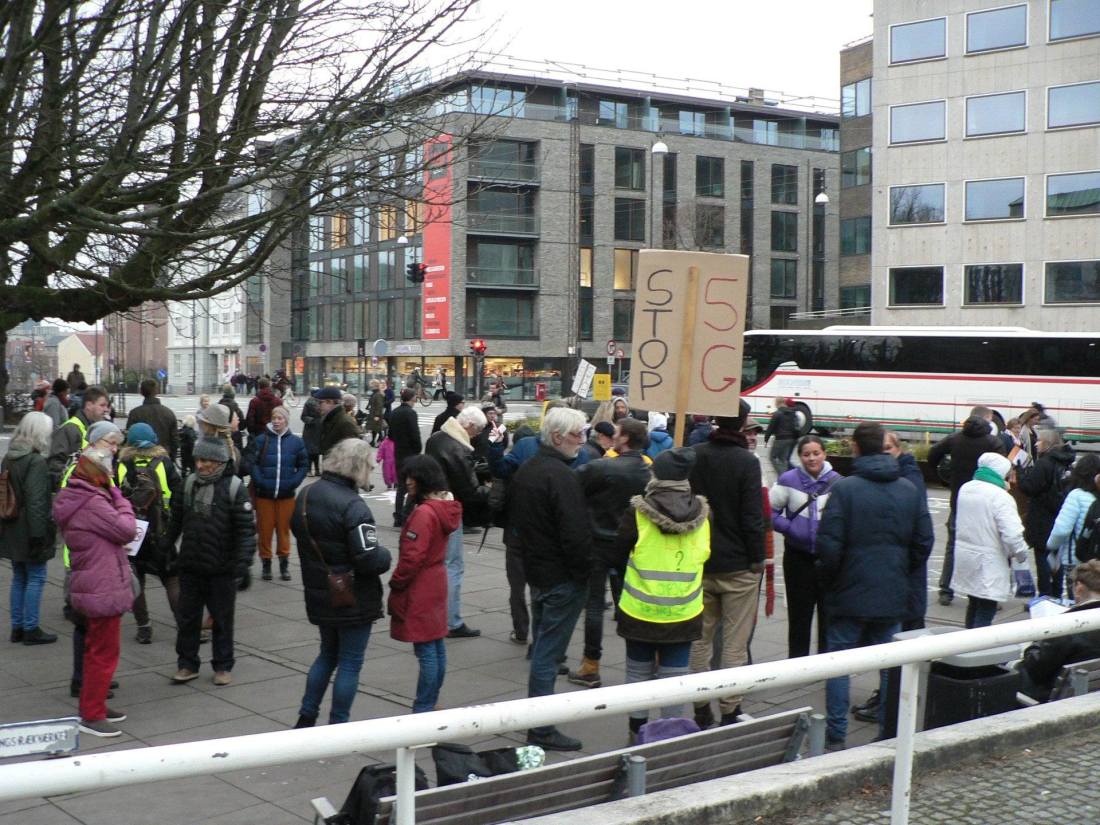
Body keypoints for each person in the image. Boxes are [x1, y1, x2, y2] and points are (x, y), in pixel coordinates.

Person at [816, 421, 934, 751]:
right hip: (892, 591)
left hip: (849, 591)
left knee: (838, 663)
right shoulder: (908, 489)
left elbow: (828, 545)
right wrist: (900, 570)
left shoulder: (845, 489)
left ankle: (836, 735)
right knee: (888, 666)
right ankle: (886, 730)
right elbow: (924, 541)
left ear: (855, 447)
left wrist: (832, 580)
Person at [291, 439, 391, 727]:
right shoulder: (353, 506)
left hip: (320, 588)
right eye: (369, 466)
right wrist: (385, 556)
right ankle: (338, 723)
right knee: (349, 661)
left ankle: (306, 715)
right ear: (358, 467)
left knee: (327, 654)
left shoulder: (307, 494)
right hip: (352, 594)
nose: (371, 471)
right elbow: (368, 558)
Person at [509, 407, 592, 751]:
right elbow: (574, 534)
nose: (582, 442)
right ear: (557, 437)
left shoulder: (529, 469)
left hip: (538, 572)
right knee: (548, 655)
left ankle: (537, 722)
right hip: (561, 577)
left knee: (543, 651)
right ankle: (540, 729)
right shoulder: (561, 476)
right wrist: (584, 574)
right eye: (577, 435)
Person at [613, 447, 710, 738]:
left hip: (639, 610)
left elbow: (618, 553)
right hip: (684, 611)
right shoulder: (703, 514)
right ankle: (669, 739)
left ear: (656, 475)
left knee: (638, 674)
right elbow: (706, 555)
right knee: (675, 680)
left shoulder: (638, 512)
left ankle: (636, 735)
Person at [687, 401, 765, 728]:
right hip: (738, 566)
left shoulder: (696, 455)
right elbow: (752, 516)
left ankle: (700, 705)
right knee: (734, 643)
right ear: (743, 423)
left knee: (699, 639)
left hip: (702, 560)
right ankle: (730, 708)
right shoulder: (746, 462)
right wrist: (757, 557)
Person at [52, 446, 137, 737]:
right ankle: (92, 714)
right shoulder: (93, 501)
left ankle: (94, 702)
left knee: (94, 649)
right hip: (102, 587)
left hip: (90, 583)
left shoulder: (75, 496)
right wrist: (119, 497)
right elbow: (126, 528)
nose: (110, 476)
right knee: (104, 652)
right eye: (107, 471)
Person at [568, 418, 652, 688]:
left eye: (617, 432)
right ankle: (641, 664)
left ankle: (590, 665)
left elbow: (570, 488)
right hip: (633, 545)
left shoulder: (602, 467)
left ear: (625, 439)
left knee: (594, 606)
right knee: (630, 605)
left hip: (598, 543)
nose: (613, 435)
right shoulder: (650, 472)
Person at [170, 436, 256, 686]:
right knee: (188, 619)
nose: (200, 465)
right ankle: (187, 664)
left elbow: (245, 531)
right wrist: (165, 548)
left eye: (206, 460)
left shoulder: (234, 488)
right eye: (197, 459)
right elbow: (176, 521)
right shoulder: (188, 484)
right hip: (191, 565)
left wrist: (242, 564)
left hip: (222, 568)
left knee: (221, 619)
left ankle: (223, 666)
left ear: (219, 461)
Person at [388, 455, 462, 713]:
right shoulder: (442, 508)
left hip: (420, 585)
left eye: (412, 477)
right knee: (436, 644)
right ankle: (431, 702)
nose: (407, 482)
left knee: (426, 650)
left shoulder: (423, 513)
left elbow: (412, 558)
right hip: (436, 580)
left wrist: (396, 583)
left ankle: (423, 706)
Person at [769, 435, 840, 659]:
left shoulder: (839, 482)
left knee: (828, 615)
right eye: (806, 454)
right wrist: (788, 527)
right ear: (799, 457)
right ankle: (797, 663)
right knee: (799, 615)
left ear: (824, 454)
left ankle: (824, 661)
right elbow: (769, 511)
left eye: (816, 453)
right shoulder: (788, 480)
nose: (812, 459)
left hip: (828, 559)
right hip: (797, 557)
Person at [927, 408, 1005, 605]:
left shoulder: (955, 439)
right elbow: (1002, 467)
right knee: (985, 545)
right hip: (985, 500)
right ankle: (981, 592)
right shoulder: (993, 442)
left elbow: (932, 455)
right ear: (988, 421)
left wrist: (944, 476)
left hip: (959, 498)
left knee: (952, 544)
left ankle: (946, 589)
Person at [425, 406, 490, 638]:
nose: (477, 435)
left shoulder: (437, 438)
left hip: (430, 506)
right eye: (478, 430)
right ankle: (451, 621)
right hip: (448, 508)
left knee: (436, 564)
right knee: (453, 565)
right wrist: (489, 489)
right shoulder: (458, 447)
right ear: (470, 426)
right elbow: (469, 490)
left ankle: (435, 614)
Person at [117, 423, 183, 644]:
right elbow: (178, 492)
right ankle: (184, 624)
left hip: (132, 532)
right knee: (172, 579)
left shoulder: (122, 464)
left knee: (136, 581)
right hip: (160, 530)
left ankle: (144, 628)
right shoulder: (163, 462)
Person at [951, 453, 1029, 628]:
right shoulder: (1001, 497)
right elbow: (1012, 534)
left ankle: (965, 644)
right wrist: (1021, 554)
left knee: (974, 603)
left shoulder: (966, 488)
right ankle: (977, 648)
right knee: (986, 608)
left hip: (966, 555)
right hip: (990, 559)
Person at [1, 412, 59, 645]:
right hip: (29, 528)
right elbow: (36, 502)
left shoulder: (10, 457)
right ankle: (31, 628)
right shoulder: (35, 461)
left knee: (19, 577)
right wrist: (38, 536)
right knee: (36, 576)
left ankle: (17, 626)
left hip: (11, 525)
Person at [1019, 559, 1100, 701]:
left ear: (1079, 588)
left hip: (1057, 698)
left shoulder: (1067, 627)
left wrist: (1034, 643)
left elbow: (1035, 669)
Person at [248, 406, 309, 582]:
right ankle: (266, 564)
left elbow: (303, 465)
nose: (276, 421)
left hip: (286, 495)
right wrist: (259, 481)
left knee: (284, 531)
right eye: (274, 418)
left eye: (280, 418)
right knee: (265, 530)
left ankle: (284, 565)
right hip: (264, 495)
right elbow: (252, 463)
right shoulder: (261, 440)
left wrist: (293, 481)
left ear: (286, 420)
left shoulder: (296, 442)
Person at [1019, 428, 1076, 598]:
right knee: (1056, 558)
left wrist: (1021, 473)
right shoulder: (1066, 462)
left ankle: (1045, 596)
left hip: (1042, 518)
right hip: (1059, 516)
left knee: (1042, 557)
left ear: (1047, 443)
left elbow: (1030, 487)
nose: (1036, 443)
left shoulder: (1044, 463)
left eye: (1039, 440)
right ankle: (1056, 595)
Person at [1046, 454, 1100, 591]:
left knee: (1078, 601)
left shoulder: (1076, 496)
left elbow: (1061, 529)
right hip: (1096, 557)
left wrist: (1051, 545)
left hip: (1077, 559)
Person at [48, 385, 111, 489]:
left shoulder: (97, 429)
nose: (106, 410)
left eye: (107, 406)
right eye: (102, 405)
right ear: (89, 405)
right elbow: (55, 467)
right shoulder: (69, 429)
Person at [389, 388, 423, 527]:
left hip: (398, 453)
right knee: (412, 485)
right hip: (410, 454)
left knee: (401, 486)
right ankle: (406, 515)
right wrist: (418, 449)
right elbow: (415, 434)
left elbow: (390, 435)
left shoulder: (395, 412)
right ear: (412, 398)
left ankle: (397, 516)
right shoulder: (411, 413)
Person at [125, 378, 180, 462]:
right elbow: (175, 440)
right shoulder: (168, 413)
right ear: (156, 391)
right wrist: (172, 458)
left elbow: (130, 438)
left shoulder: (135, 413)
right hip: (163, 457)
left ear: (141, 392)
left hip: (139, 458)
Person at [317, 386, 361, 455]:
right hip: (332, 462)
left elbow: (353, 453)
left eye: (320, 402)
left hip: (339, 464)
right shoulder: (331, 418)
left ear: (330, 402)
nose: (318, 406)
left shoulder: (345, 422)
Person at [764, 397, 800, 479]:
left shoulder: (777, 413)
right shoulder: (792, 412)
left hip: (780, 438)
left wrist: (766, 439)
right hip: (790, 439)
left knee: (772, 457)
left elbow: (771, 427)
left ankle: (782, 476)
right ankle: (785, 478)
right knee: (783, 459)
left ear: (777, 403)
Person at [217, 384, 246, 454]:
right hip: (234, 435)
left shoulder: (219, 405)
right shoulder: (234, 406)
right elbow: (242, 422)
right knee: (235, 454)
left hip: (221, 434)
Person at [300, 392, 324, 477]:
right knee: (312, 451)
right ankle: (312, 470)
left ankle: (314, 470)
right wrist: (313, 420)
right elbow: (303, 416)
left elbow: (303, 416)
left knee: (314, 451)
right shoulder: (317, 402)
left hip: (315, 428)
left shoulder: (320, 402)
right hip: (312, 429)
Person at [366, 380, 386, 447]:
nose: (370, 386)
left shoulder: (378, 394)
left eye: (371, 384)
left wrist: (377, 415)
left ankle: (382, 442)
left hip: (376, 414)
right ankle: (373, 441)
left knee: (378, 429)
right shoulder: (375, 393)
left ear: (375, 385)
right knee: (374, 428)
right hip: (373, 413)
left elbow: (379, 405)